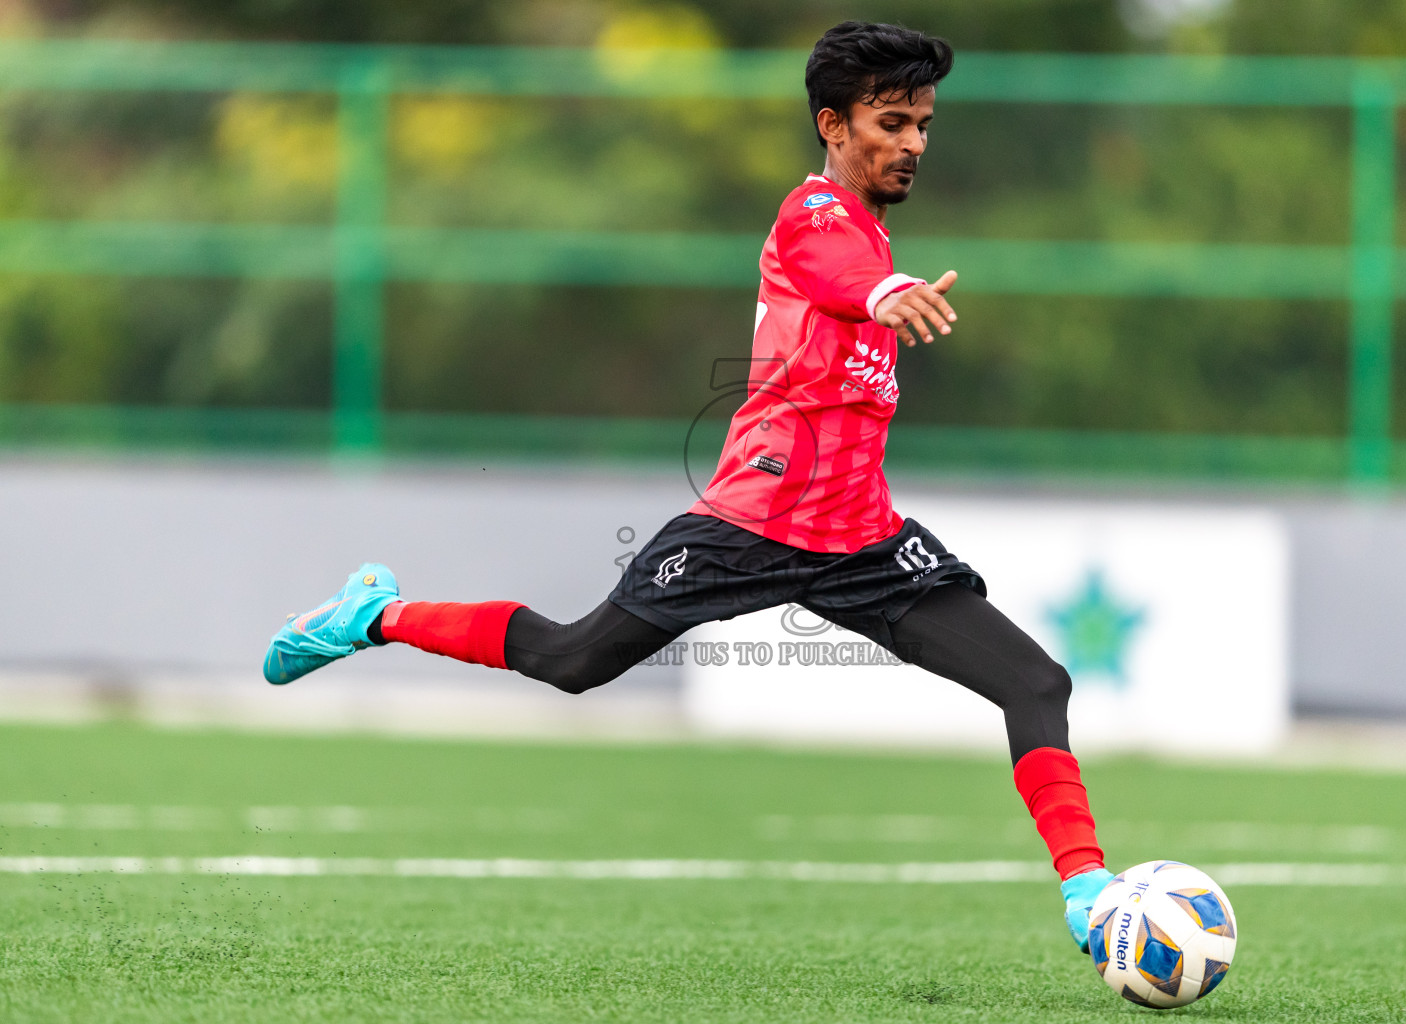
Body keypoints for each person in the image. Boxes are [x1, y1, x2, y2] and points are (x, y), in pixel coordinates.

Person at [263, 20, 1112, 951]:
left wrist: (882, 287)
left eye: (924, 123)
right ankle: (372, 615)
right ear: (833, 126)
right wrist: (883, 294)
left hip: (862, 541)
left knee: (1036, 681)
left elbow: (860, 276)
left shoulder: (867, 231)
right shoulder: (816, 217)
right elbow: (842, 276)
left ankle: (1089, 893)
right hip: (749, 522)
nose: (913, 142)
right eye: (893, 121)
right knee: (572, 661)